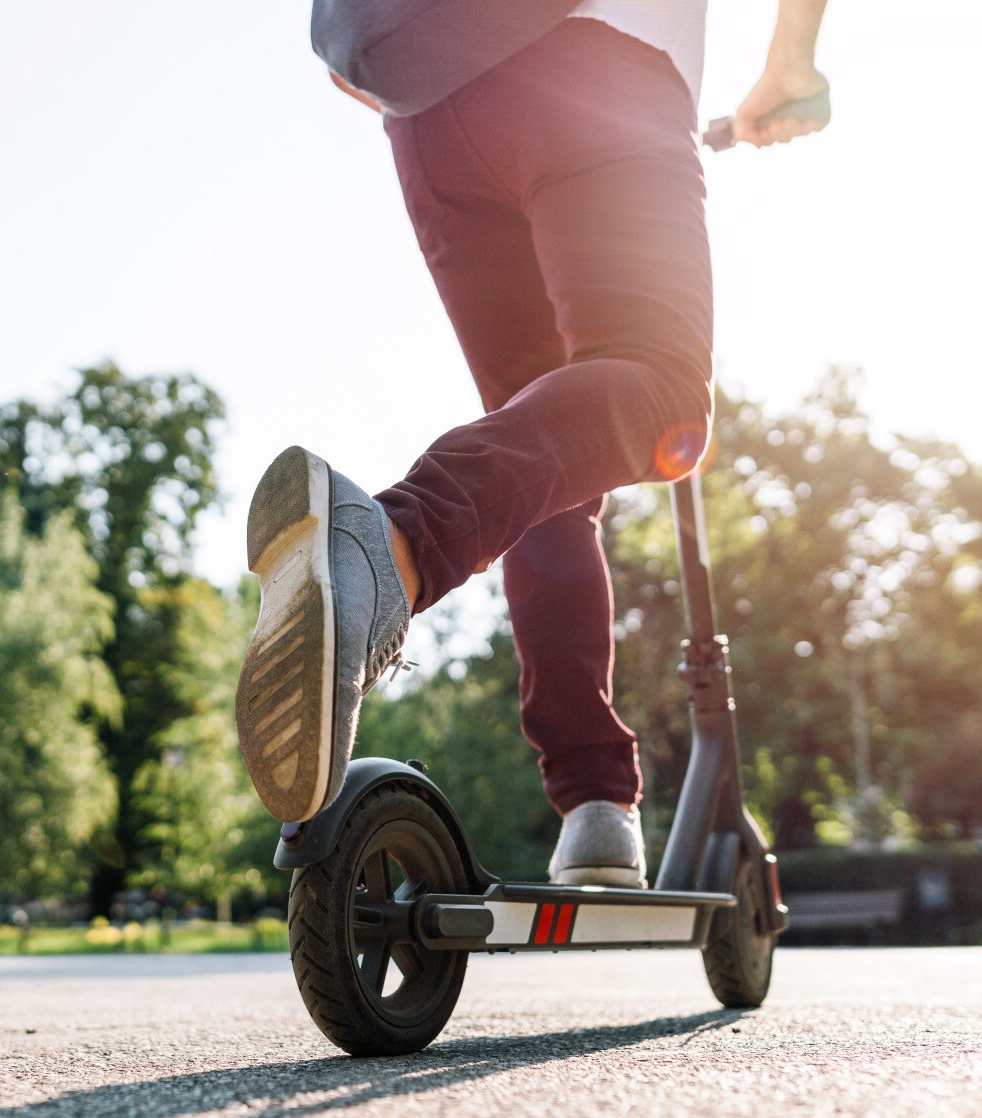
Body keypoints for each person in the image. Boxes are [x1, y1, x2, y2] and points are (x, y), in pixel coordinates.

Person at [238, 0, 831, 887]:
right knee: (660, 390)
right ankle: (390, 548)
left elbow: (345, 63)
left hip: (426, 118)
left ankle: (597, 804)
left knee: (545, 445)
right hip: (604, 70)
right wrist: (791, 62)